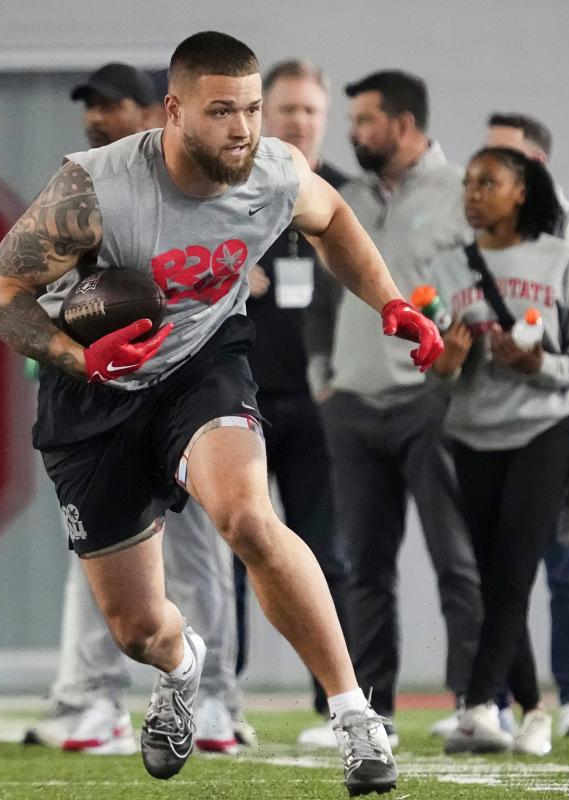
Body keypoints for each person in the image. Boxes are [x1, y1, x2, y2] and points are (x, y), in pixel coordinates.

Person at [0, 31, 440, 795]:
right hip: (95, 391)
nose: (244, 128)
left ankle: (356, 718)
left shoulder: (274, 170)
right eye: (222, 110)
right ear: (173, 111)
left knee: (249, 519)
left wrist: (391, 302)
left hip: (200, 366)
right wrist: (78, 356)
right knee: (136, 630)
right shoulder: (95, 189)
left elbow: (334, 223)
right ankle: (183, 665)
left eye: (253, 109)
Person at [27, 61, 247, 757]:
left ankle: (212, 699)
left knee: (201, 546)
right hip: (107, 404)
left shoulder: (208, 181)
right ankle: (94, 697)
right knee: (98, 557)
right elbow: (33, 281)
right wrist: (66, 340)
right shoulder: (89, 184)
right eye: (90, 104)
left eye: (112, 103)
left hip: (184, 394)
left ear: (162, 110)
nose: (96, 115)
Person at [310, 70, 481, 746]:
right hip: (351, 406)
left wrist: (458, 377)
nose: (351, 133)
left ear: (405, 125)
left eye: (365, 120)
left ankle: (476, 702)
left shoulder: (462, 193)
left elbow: (481, 288)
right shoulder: (345, 196)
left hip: (429, 403)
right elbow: (324, 297)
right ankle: (367, 709)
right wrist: (323, 375)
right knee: (362, 569)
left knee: (455, 559)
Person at [433, 147, 569, 755]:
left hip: (545, 429)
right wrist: (446, 363)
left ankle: (480, 706)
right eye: (468, 184)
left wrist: (542, 364)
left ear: (521, 192)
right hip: (471, 432)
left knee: (512, 571)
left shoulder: (560, 259)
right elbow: (429, 361)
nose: (473, 193)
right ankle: (535, 709)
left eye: (489, 183)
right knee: (493, 578)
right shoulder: (446, 265)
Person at [484, 112, 569, 741]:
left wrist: (544, 369)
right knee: (499, 572)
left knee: (565, 566)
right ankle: (503, 701)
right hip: (488, 424)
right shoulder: (481, 240)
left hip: (556, 422)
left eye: (506, 156)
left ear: (534, 165)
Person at [237, 58, 350, 738]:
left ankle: (334, 702)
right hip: (236, 402)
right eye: (288, 110)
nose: (299, 122)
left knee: (327, 554)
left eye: (311, 110)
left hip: (318, 406)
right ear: (262, 115)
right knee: (233, 550)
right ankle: (224, 699)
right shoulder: (228, 194)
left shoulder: (340, 197)